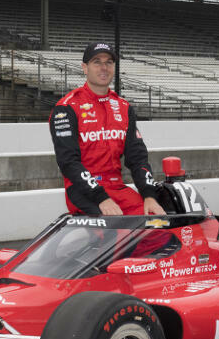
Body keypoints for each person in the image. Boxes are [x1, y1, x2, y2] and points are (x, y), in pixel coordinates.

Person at [49, 42, 165, 216]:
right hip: (84, 191)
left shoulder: (123, 107)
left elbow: (138, 157)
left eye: (109, 62)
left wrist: (149, 195)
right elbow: (68, 162)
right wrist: (101, 197)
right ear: (85, 68)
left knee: (159, 228)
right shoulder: (67, 107)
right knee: (118, 234)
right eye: (97, 62)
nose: (104, 67)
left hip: (117, 188)